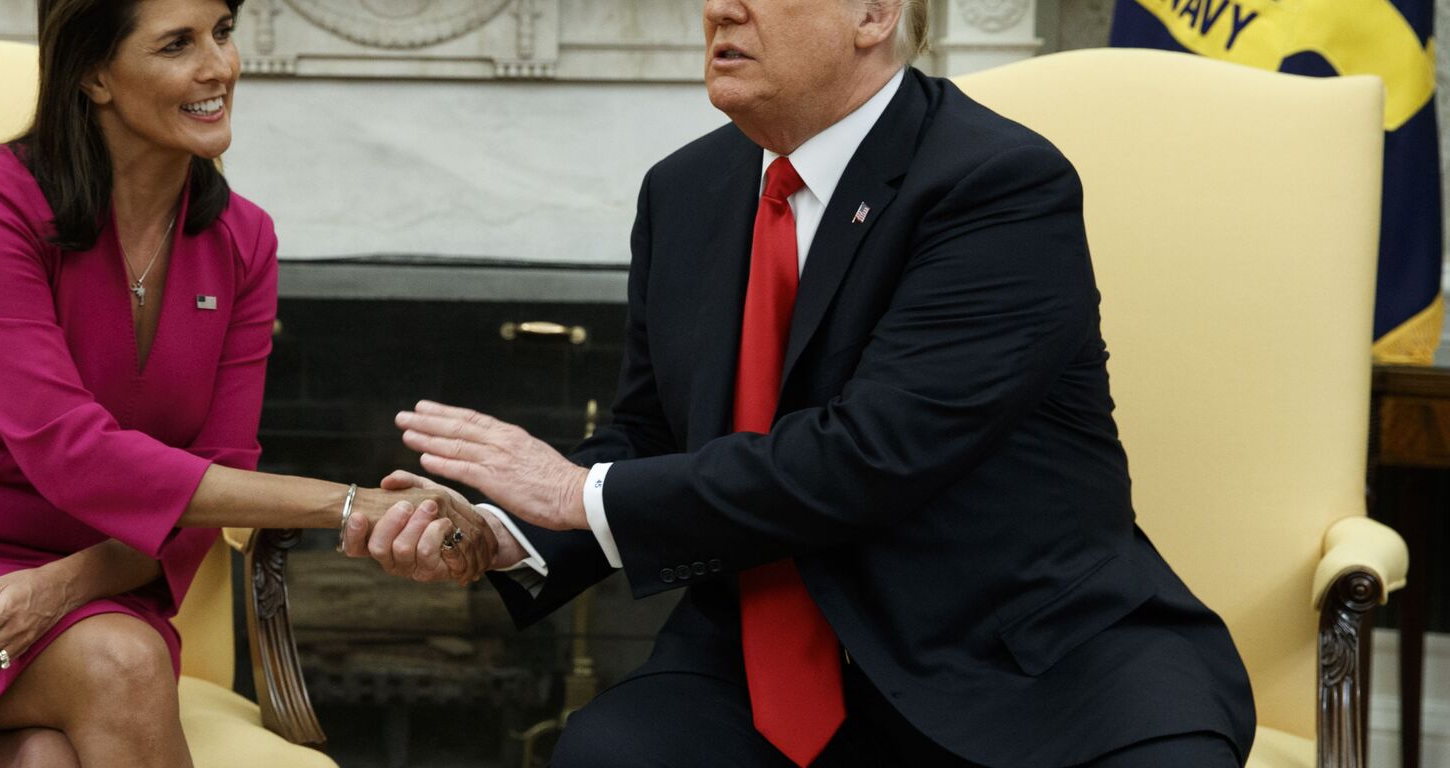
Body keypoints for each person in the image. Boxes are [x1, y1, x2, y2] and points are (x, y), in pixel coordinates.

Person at [347, 0, 1258, 765]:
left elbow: (874, 454)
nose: (720, 9)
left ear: (873, 13)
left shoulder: (996, 184)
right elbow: (653, 434)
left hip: (1019, 657)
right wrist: (511, 531)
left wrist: (576, 491)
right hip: (760, 656)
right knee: (606, 754)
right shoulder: (686, 190)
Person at [0, 1, 493, 766]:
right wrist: (353, 504)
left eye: (222, 32)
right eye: (176, 45)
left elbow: (219, 472)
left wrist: (64, 584)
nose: (218, 66)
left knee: (48, 755)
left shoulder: (243, 240)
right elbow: (71, 453)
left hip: (98, 590)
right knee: (120, 663)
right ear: (93, 74)